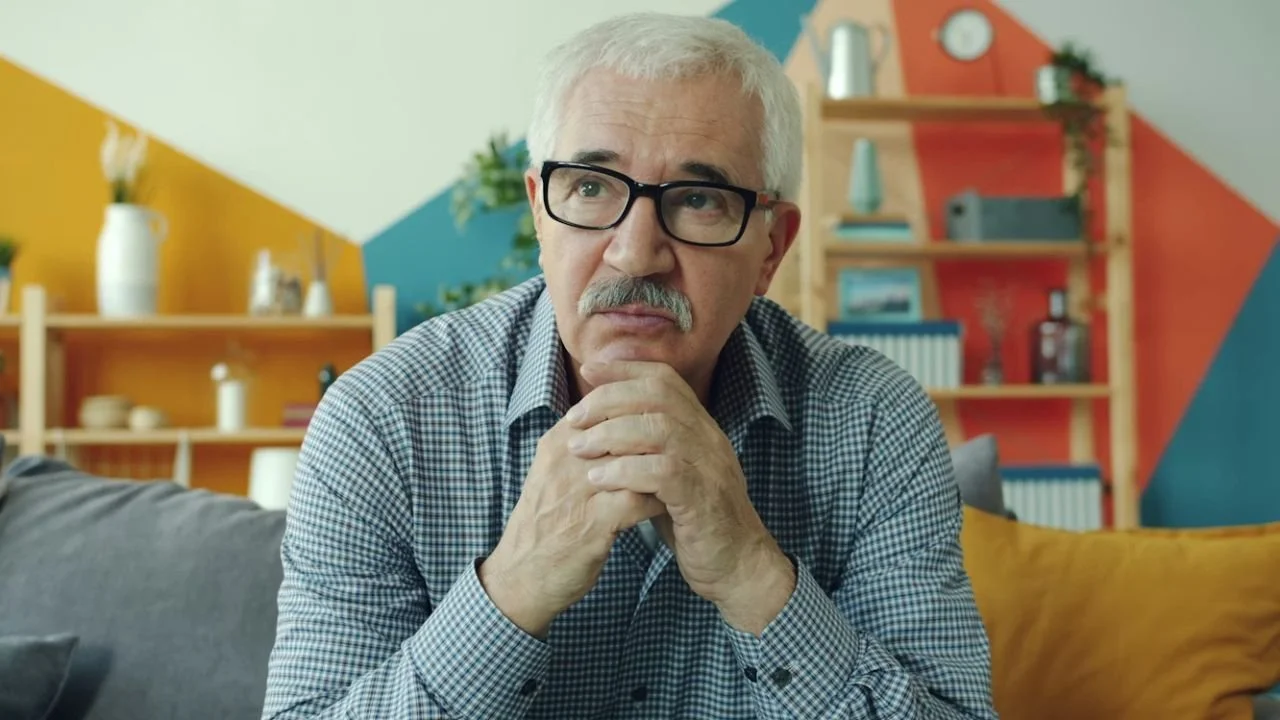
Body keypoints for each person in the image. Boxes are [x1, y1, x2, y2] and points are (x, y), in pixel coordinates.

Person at [261, 11, 996, 720]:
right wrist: (513, 589)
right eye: (590, 188)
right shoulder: (382, 420)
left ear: (771, 248)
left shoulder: (872, 420)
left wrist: (752, 574)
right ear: (540, 213)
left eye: (700, 199)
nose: (635, 252)